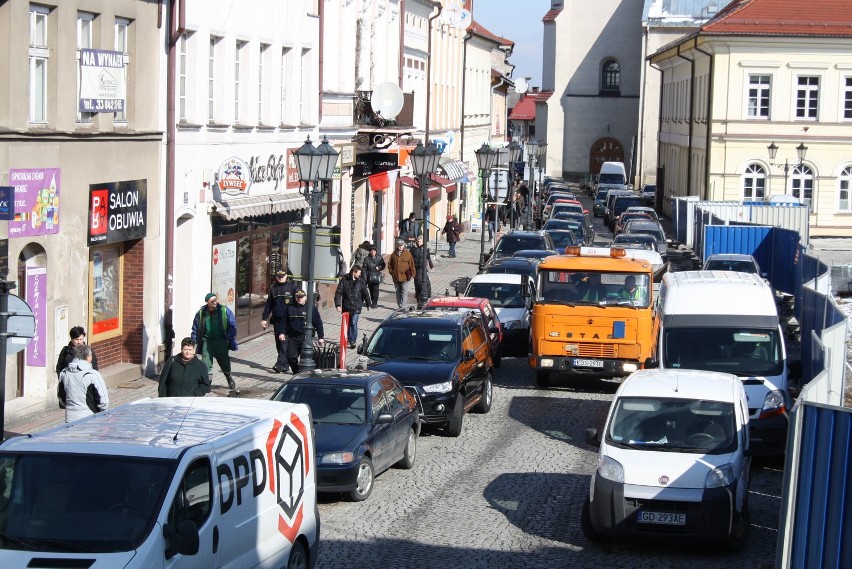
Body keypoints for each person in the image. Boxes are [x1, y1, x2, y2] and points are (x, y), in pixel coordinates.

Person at [191, 292, 239, 392]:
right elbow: (195, 328)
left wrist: (228, 338)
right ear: (207, 302)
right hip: (207, 341)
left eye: (216, 299)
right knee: (206, 363)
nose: (215, 302)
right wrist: (193, 342)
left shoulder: (224, 310)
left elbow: (232, 325)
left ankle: (228, 377)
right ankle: (207, 384)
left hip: (221, 341)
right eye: (212, 301)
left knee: (224, 362)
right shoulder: (201, 313)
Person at [57, 344, 108, 423]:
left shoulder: (64, 373)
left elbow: (61, 397)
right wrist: (101, 412)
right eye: (91, 356)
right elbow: (103, 401)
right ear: (87, 357)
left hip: (70, 418)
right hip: (90, 418)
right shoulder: (93, 374)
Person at [278, 289, 325, 373]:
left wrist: (321, 337)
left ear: (305, 297)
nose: (299, 299)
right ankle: (297, 373)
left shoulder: (310, 308)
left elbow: (318, 323)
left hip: (305, 337)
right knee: (290, 357)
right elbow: (283, 321)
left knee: (305, 358)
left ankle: (304, 375)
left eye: (301, 297)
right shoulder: (290, 308)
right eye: (298, 297)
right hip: (293, 337)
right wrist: (281, 333)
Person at [261, 268, 298, 373]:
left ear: (286, 276)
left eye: (282, 276)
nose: (281, 278)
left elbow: (298, 302)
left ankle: (279, 364)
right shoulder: (274, 289)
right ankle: (285, 365)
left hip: (289, 320)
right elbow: (269, 304)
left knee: (283, 341)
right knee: (279, 343)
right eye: (279, 277)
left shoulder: (292, 288)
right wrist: (264, 318)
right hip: (277, 320)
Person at [335, 265, 372, 348]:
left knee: (353, 323)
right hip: (346, 306)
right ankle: (347, 338)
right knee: (347, 324)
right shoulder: (344, 280)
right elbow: (338, 293)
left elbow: (365, 292)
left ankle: (353, 341)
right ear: (353, 272)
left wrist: (368, 303)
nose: (360, 274)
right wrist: (338, 305)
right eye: (359, 273)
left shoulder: (360, 281)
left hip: (357, 306)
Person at [388, 238, 416, 309]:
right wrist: (392, 272)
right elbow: (389, 264)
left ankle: (402, 307)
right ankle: (399, 306)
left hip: (405, 277)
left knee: (404, 292)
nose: (400, 246)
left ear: (404, 245)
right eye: (399, 245)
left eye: (402, 245)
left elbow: (412, 264)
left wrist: (413, 274)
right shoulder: (393, 254)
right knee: (398, 292)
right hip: (396, 277)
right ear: (397, 245)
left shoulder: (408, 254)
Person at [411, 235, 434, 308]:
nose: (419, 243)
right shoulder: (413, 249)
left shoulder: (425, 249)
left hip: (422, 268)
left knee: (423, 282)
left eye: (420, 241)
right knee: (417, 283)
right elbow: (410, 259)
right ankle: (419, 298)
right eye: (418, 241)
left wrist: (432, 266)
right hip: (415, 268)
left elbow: (429, 258)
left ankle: (424, 297)